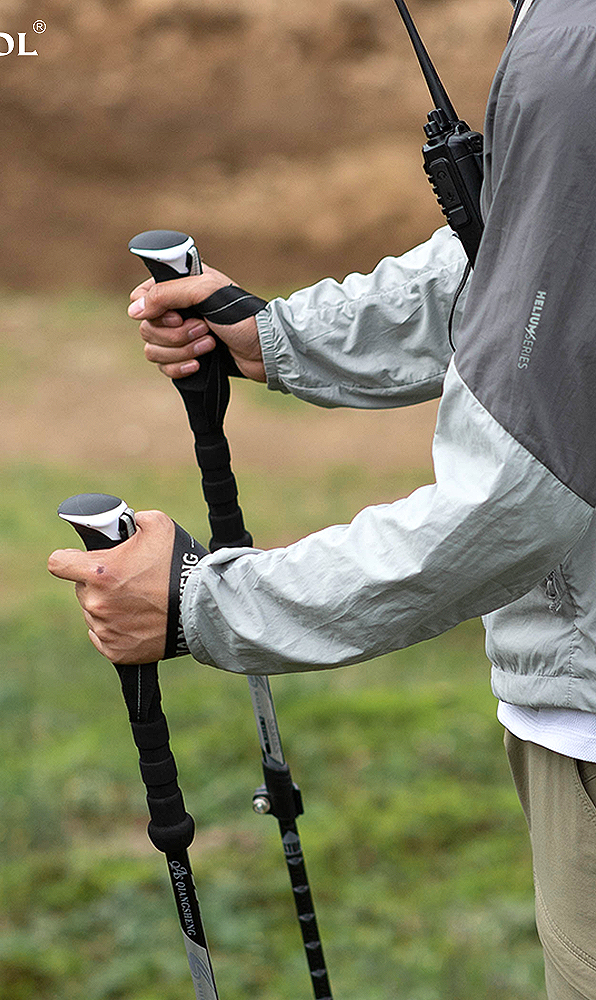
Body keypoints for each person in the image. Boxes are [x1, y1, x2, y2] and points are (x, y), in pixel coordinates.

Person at [48, 1, 596, 996]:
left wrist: (197, 603)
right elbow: (530, 250)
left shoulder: (577, 46)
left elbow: (523, 494)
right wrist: (284, 338)